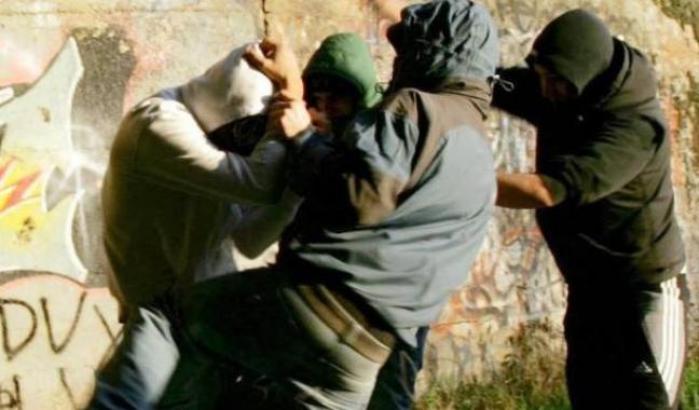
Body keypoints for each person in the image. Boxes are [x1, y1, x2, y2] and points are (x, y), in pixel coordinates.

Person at [183, 0, 499, 408]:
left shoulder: (407, 115)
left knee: (172, 318)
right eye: (317, 96)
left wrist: (304, 140)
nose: (325, 106)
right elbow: (252, 232)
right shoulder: (465, 131)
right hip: (382, 321)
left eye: (338, 97)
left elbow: (360, 196)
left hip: (351, 314)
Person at [493, 9, 687, 409]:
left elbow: (547, 190)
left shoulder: (634, 128)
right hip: (589, 295)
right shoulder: (559, 87)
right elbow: (480, 78)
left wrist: (452, 182)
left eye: (554, 82)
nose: (544, 90)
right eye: (541, 77)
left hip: (644, 294)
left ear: (583, 80)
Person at [88, 44, 290, 409]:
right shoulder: (156, 122)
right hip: (161, 312)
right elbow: (259, 184)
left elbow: (249, 240)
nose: (253, 142)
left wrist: (295, 191)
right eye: (249, 131)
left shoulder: (217, 145)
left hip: (200, 313)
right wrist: (287, 115)